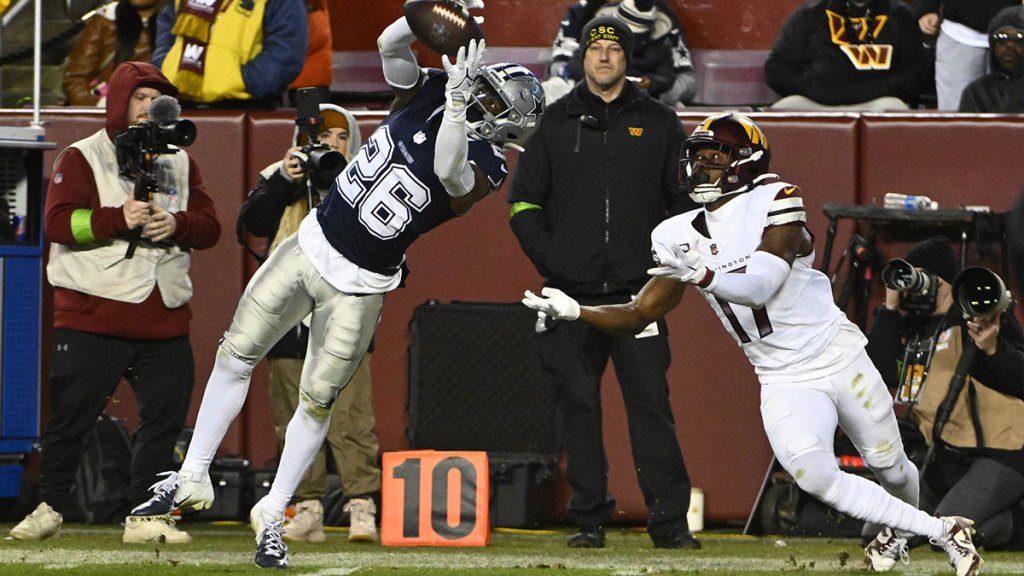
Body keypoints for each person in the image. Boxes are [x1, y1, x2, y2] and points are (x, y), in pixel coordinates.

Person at [130, 5, 545, 568]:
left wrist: (453, 105)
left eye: (494, 103)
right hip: (311, 243)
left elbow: (450, 174)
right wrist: (420, 14)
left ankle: (274, 514)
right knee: (235, 353)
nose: (480, 97)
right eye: (485, 90)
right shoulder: (438, 89)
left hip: (361, 284)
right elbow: (390, 48)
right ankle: (192, 476)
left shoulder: (488, 162)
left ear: (509, 130)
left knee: (317, 399)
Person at [522, 112, 984, 576]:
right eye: (697, 157)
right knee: (813, 473)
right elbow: (642, 311)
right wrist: (576, 311)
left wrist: (704, 273)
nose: (701, 167)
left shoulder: (777, 199)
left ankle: (902, 533)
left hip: (835, 354)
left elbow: (760, 285)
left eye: (713, 156)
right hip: (780, 376)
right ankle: (944, 531)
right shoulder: (675, 234)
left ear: (745, 161)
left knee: (893, 467)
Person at [9, 61, 221, 544]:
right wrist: (115, 218)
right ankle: (49, 505)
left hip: (163, 314)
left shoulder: (180, 161)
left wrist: (178, 224)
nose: (149, 107)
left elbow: (210, 227)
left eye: (157, 100)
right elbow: (59, 224)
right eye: (140, 98)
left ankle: (146, 514)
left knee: (164, 418)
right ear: (119, 102)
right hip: (93, 311)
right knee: (71, 418)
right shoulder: (82, 156)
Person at [509, 15, 699, 550]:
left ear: (628, 58)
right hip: (569, 295)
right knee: (578, 408)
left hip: (642, 296)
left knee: (651, 409)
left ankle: (669, 525)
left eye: (615, 49)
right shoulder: (553, 121)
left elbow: (683, 204)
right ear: (583, 57)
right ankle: (588, 521)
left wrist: (666, 265)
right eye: (597, 49)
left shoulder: (661, 122)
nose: (605, 56)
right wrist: (556, 262)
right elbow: (523, 204)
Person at [238, 102, 381, 543]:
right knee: (292, 417)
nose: (332, 144)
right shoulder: (281, 174)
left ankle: (362, 507)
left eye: (341, 136)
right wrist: (285, 180)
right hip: (288, 315)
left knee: (351, 417)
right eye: (324, 136)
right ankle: (308, 507)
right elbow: (251, 226)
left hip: (344, 310)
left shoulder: (367, 181)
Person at [863, 236, 1024, 551]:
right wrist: (890, 308)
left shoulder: (978, 317)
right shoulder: (917, 328)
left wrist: (993, 348)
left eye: (924, 277)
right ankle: (983, 515)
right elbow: (878, 371)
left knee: (943, 537)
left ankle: (1008, 524)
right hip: (944, 455)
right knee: (877, 534)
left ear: (946, 281)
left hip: (999, 453)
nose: (916, 286)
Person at [765, 0, 930, 111]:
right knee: (786, 108)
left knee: (894, 108)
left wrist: (881, 90)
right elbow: (776, 68)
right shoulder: (810, 13)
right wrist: (812, 89)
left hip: (878, 104)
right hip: (815, 103)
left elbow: (918, 73)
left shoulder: (901, 16)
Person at [150, 0, 307, 107]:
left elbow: (286, 55)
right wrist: (165, 73)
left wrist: (242, 80)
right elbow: (165, 40)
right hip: (180, 104)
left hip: (245, 106)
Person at [544, 0, 696, 106]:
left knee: (672, 107)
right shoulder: (581, 12)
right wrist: (597, 85)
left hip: (645, 96)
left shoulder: (661, 17)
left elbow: (686, 81)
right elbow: (561, 66)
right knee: (549, 90)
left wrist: (650, 89)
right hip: (585, 86)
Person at [915, 0, 1019, 110]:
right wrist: (926, 7)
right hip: (958, 34)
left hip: (1013, 36)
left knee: (1011, 118)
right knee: (956, 119)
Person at [63, 0, 163, 106]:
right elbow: (75, 78)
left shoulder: (172, 24)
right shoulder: (104, 22)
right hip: (109, 109)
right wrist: (98, 110)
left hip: (157, 110)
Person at [958, 6, 1024, 113]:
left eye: (1019, 38)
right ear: (993, 45)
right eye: (1002, 37)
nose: (1010, 45)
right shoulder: (977, 92)